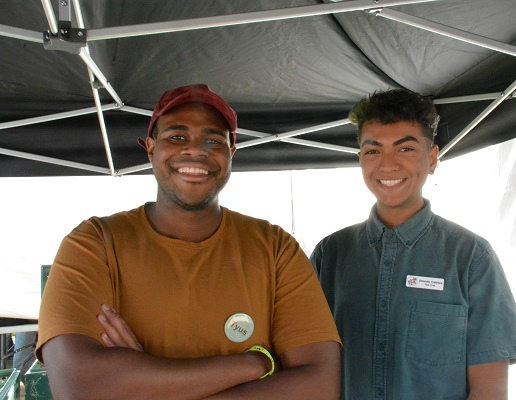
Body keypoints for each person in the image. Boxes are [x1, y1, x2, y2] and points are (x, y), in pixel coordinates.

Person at [36, 83, 341, 399]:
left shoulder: (276, 248)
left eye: (213, 140)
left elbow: (319, 386)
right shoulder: (94, 244)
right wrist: (255, 363)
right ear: (151, 148)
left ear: (231, 153)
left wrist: (143, 383)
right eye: (176, 137)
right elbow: (81, 388)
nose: (196, 150)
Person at [310, 88, 516, 399]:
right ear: (360, 159)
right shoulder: (329, 255)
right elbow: (306, 366)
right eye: (373, 151)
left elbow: (490, 390)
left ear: (432, 158)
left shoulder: (471, 258)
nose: (387, 165)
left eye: (404, 149)